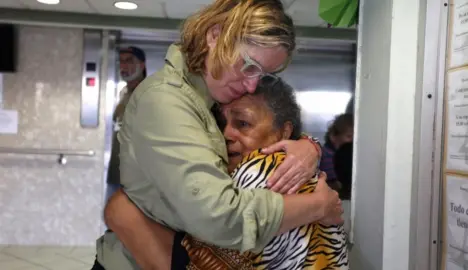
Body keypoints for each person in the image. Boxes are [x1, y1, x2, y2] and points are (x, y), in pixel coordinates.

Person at [94, 1, 343, 269]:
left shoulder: (210, 97)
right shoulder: (166, 101)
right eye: (249, 65)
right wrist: (317, 205)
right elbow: (220, 217)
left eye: (262, 74)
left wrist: (309, 146)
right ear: (215, 36)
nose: (251, 83)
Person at [97, 78, 349, 269]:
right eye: (220, 124)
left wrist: (125, 217)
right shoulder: (286, 168)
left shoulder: (265, 173)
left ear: (283, 133)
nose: (226, 134)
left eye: (243, 123)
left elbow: (202, 261)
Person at [105, 46, 147, 201]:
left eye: (129, 61)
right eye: (121, 61)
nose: (123, 66)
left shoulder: (147, 94)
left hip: (135, 180)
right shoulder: (124, 94)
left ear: (142, 65)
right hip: (116, 175)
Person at [319, 113, 354, 191]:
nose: (353, 140)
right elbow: (332, 183)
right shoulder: (327, 155)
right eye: (349, 136)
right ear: (333, 136)